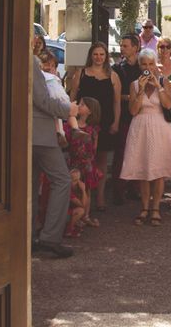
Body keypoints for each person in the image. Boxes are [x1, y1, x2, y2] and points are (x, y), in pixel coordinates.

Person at [120, 49, 171, 226]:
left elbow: (169, 104)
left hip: (160, 126)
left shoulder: (164, 81)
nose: (148, 67)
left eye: (151, 64)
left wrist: (159, 86)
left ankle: (156, 208)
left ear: (156, 64)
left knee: (158, 171)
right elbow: (133, 110)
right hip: (140, 127)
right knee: (144, 170)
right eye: (144, 64)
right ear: (140, 66)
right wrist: (140, 91)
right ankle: (144, 207)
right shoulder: (134, 84)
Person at [31, 46, 78, 258]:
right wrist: (68, 110)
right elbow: (41, 99)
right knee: (62, 180)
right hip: (39, 132)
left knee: (30, 187)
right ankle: (50, 237)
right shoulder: (30, 62)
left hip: (25, 133)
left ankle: (29, 236)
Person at [70, 42, 121, 211]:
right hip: (84, 121)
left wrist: (116, 122)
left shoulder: (113, 76)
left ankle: (99, 197)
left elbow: (116, 102)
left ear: (106, 57)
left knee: (101, 160)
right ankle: (81, 197)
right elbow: (73, 98)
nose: (98, 58)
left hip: (105, 121)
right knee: (81, 159)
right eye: (95, 54)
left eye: (102, 54)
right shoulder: (81, 73)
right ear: (90, 56)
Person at [111, 34, 141, 204]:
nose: (122, 48)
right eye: (121, 45)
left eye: (126, 46)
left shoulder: (143, 67)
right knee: (121, 153)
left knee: (138, 152)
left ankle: (135, 188)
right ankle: (118, 190)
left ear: (136, 47)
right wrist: (130, 97)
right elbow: (114, 96)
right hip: (124, 116)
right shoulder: (117, 69)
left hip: (140, 115)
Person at [64, 97, 102, 228]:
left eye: (83, 105)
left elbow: (95, 147)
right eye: (79, 103)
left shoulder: (93, 129)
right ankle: (76, 215)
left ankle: (86, 215)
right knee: (73, 190)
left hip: (87, 164)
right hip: (74, 162)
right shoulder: (70, 125)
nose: (79, 106)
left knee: (86, 190)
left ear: (90, 111)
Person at [65, 169, 87, 238]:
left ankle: (72, 226)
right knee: (80, 211)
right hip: (60, 215)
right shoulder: (68, 189)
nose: (77, 183)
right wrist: (83, 190)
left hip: (64, 212)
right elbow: (83, 205)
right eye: (75, 180)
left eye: (78, 180)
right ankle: (68, 230)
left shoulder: (74, 188)